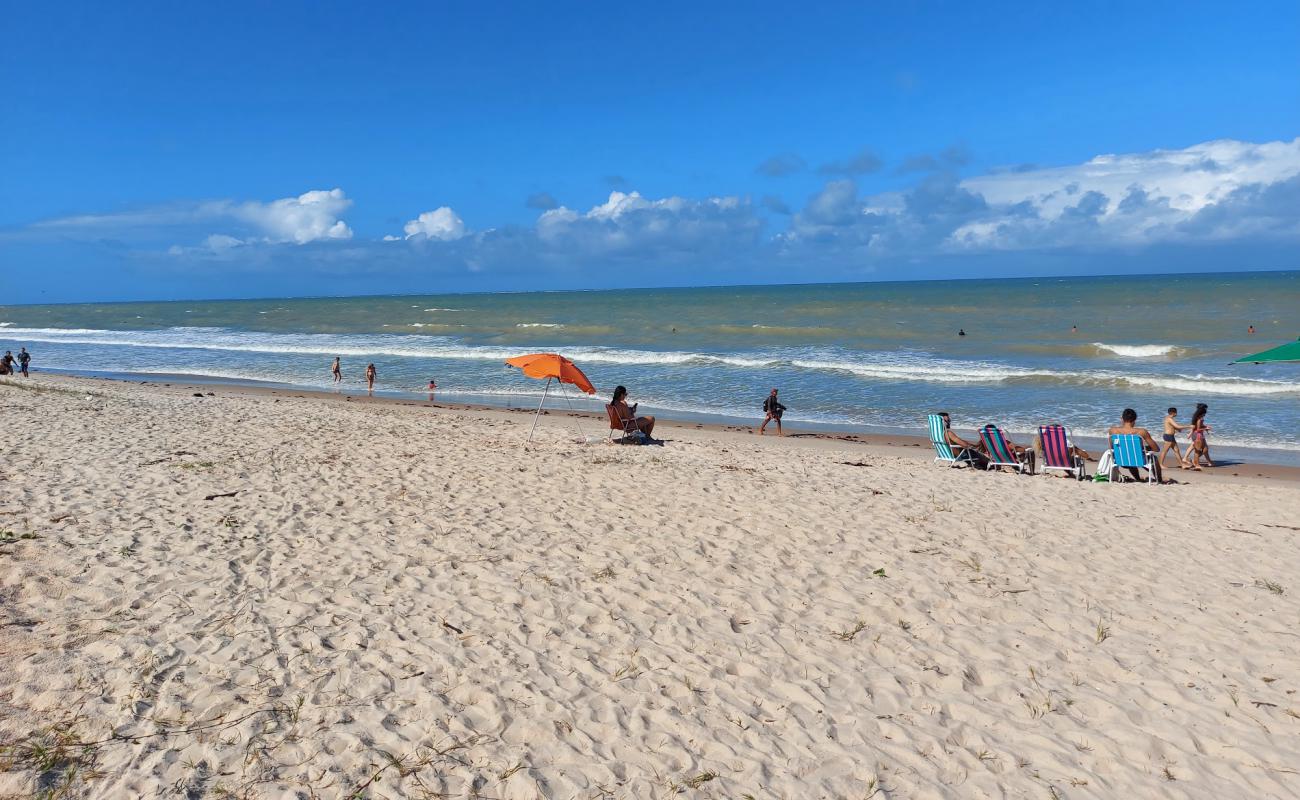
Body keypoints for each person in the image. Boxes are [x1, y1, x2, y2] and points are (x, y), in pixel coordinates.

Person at [1107, 408, 1164, 482]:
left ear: (1122, 419)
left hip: (1121, 460)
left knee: (1129, 454)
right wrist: (1143, 448)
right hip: (1138, 461)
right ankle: (1159, 480)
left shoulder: (1113, 430)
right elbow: (1156, 449)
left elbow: (1112, 447)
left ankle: (1138, 479)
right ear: (1135, 419)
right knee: (1153, 458)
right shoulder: (1142, 432)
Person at [1183, 403, 1213, 469]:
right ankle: (1196, 464)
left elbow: (1198, 426)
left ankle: (1204, 462)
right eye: (1204, 414)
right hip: (1198, 435)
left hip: (1199, 434)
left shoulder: (1198, 418)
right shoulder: (1199, 419)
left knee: (1205, 448)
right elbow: (1198, 428)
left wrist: (1205, 426)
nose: (1205, 415)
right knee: (1197, 450)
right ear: (1202, 413)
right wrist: (1206, 428)